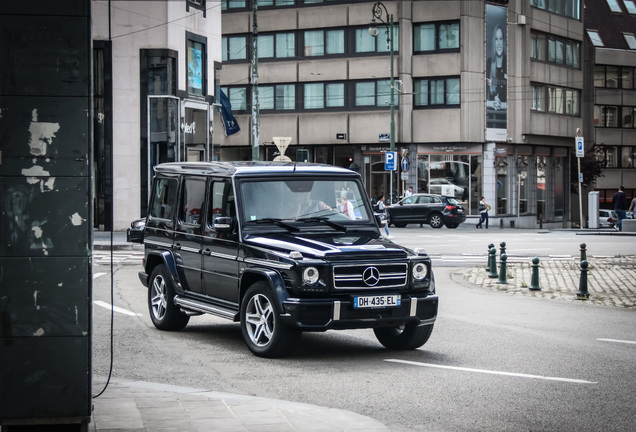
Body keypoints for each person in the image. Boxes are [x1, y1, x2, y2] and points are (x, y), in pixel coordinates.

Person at [486, 24, 507, 111]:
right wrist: (490, 103)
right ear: (493, 42)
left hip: (507, 119)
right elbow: (479, 100)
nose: (498, 42)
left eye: (501, 38)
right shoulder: (489, 63)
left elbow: (517, 102)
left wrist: (502, 105)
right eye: (496, 39)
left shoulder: (508, 63)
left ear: (504, 41)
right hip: (491, 118)